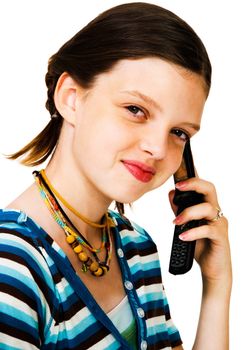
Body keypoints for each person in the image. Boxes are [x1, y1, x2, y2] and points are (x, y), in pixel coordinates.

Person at [0, 2, 232, 349]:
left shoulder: (135, 246)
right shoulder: (13, 268)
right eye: (136, 110)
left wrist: (217, 284)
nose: (157, 147)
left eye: (179, 132)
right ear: (71, 98)